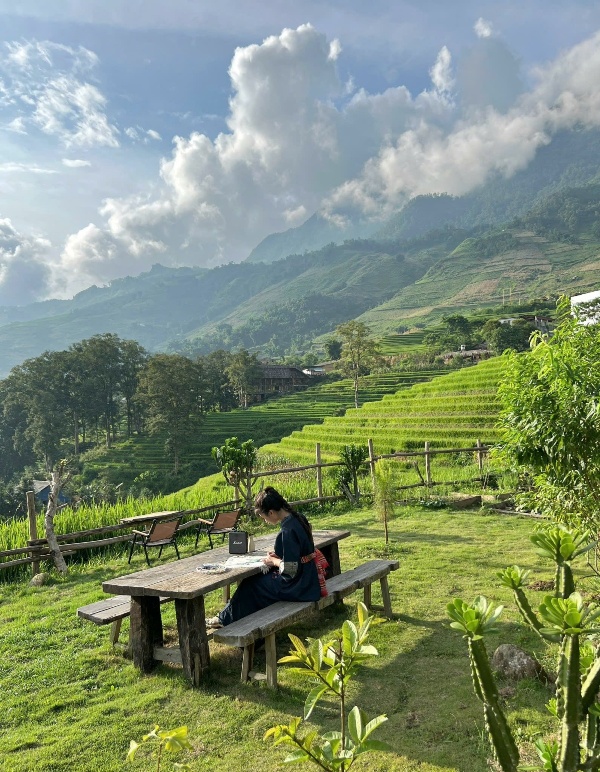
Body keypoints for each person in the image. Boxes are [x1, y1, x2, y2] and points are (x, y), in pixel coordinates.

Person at [206, 486, 321, 628]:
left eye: (263, 517)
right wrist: (279, 558)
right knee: (254, 582)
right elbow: (300, 552)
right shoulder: (298, 518)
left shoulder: (287, 530)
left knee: (250, 585)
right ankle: (227, 618)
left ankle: (227, 620)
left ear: (271, 512)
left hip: (299, 586)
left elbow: (291, 570)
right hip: (308, 578)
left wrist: (275, 561)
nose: (265, 520)